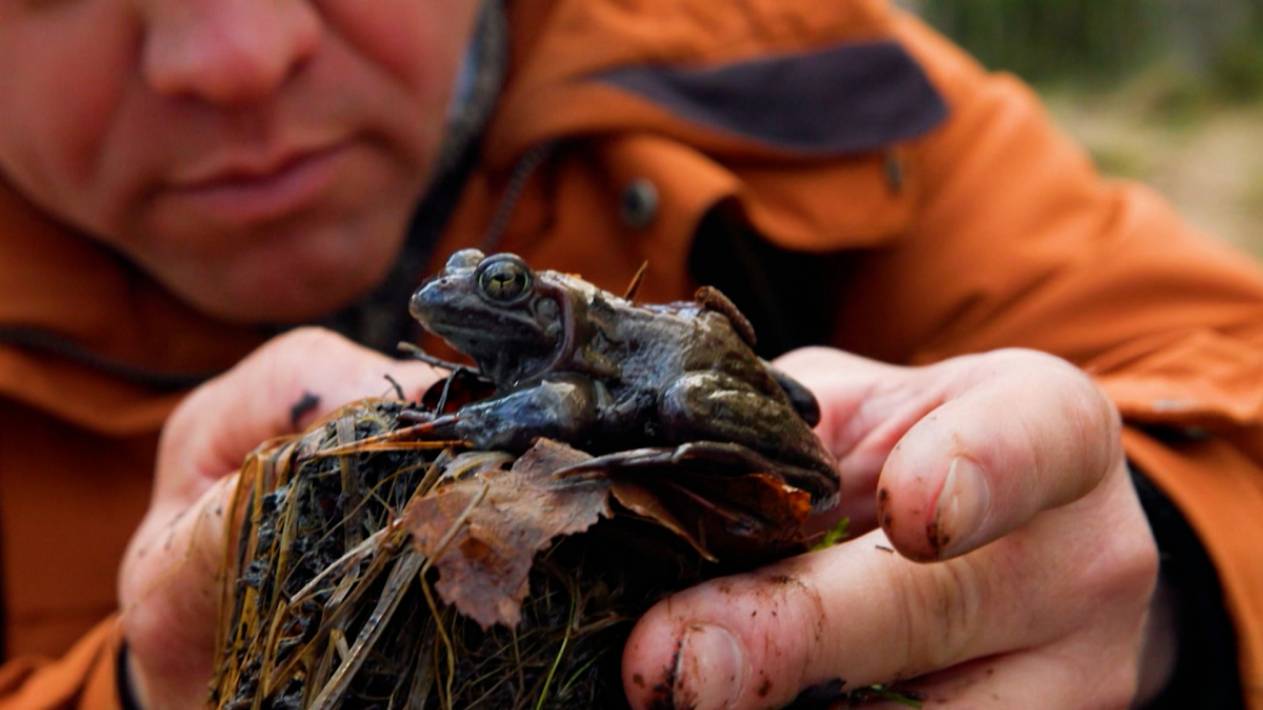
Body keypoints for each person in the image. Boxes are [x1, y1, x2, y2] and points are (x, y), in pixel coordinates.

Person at [0, 0, 1258, 707]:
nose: (238, 55)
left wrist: (1151, 574)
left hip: (670, 375)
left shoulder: (784, 52)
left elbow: (1228, 361)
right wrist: (124, 687)